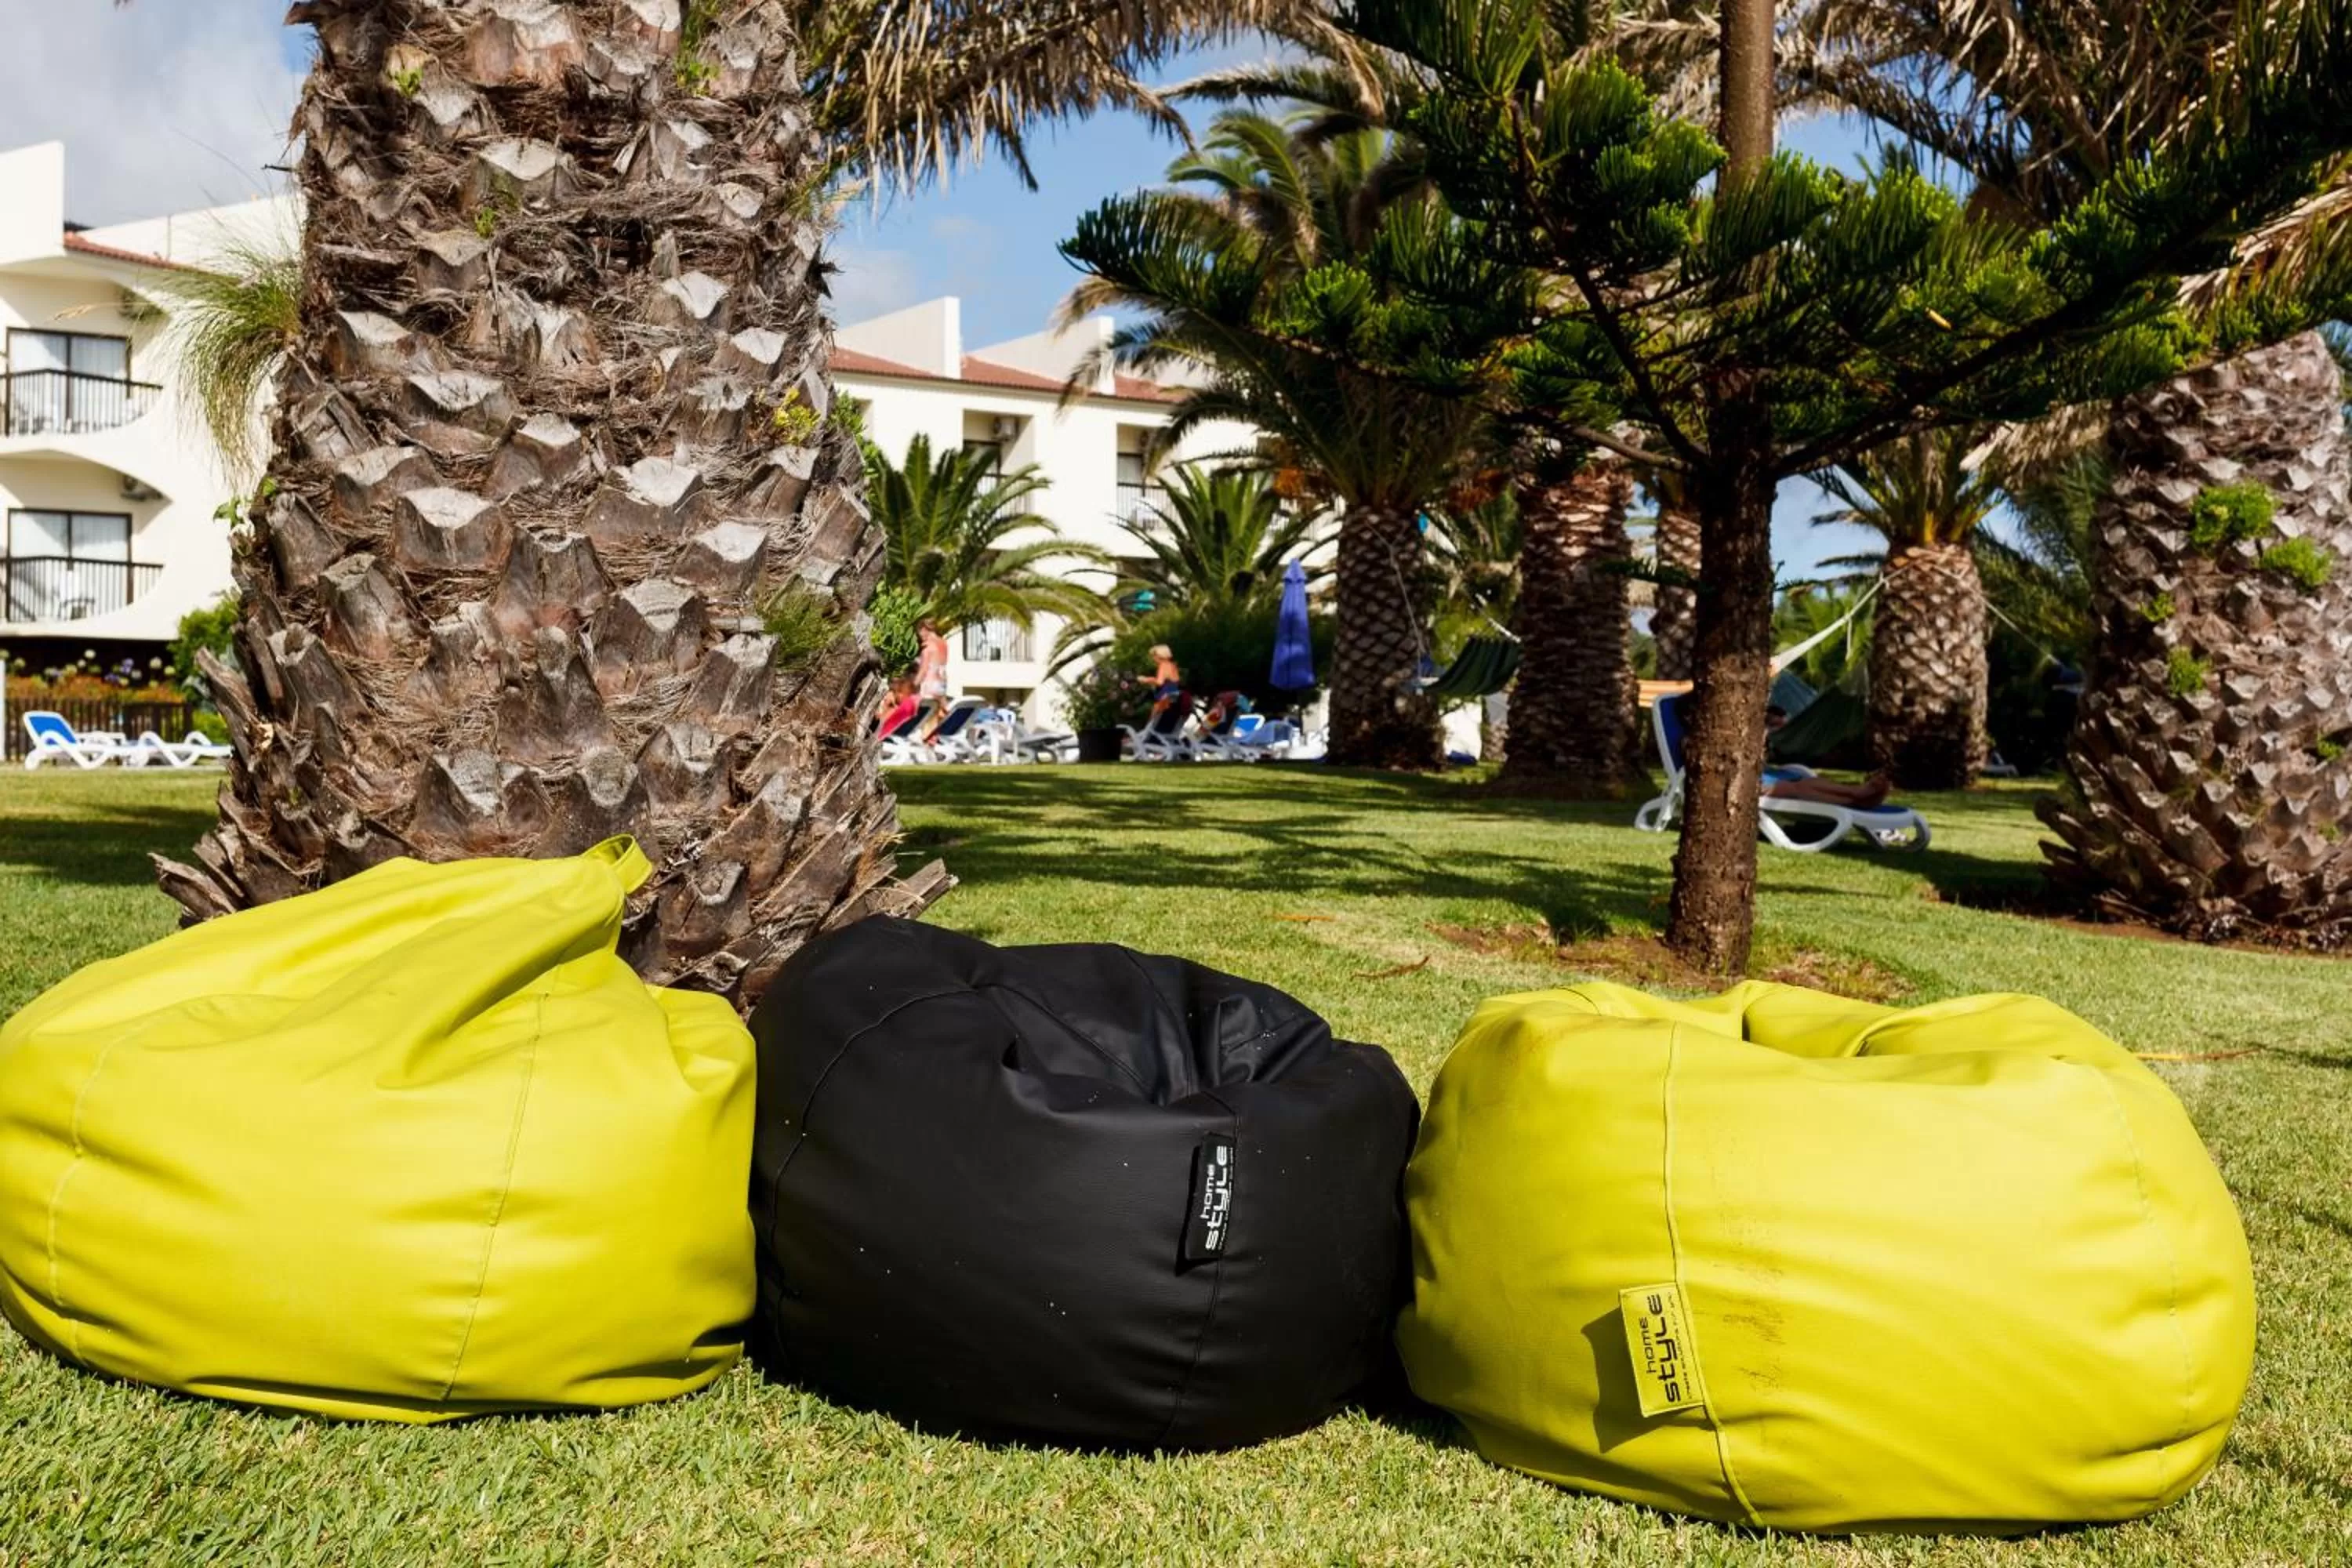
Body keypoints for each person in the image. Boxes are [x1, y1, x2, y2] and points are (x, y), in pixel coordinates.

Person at [1762, 705, 1893, 809]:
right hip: (1754, 786)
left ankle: (1856, 795)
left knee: (1807, 781)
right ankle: (1855, 799)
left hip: (1765, 777)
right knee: (1795, 788)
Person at [914, 619, 952, 740]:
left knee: (926, 715)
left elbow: (924, 669)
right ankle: (934, 740)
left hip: (930, 683)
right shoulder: (944, 643)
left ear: (925, 630)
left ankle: (927, 741)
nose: (921, 637)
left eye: (921, 633)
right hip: (942, 682)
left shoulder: (928, 647)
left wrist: (915, 683)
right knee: (937, 714)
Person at [1134, 644, 1185, 730]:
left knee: (1151, 722)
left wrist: (1146, 680)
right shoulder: (1172, 666)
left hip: (1164, 699)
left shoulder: (1163, 665)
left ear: (1159, 655)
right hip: (1173, 699)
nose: (1153, 659)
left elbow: (1159, 682)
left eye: (1154, 656)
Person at [878, 674, 920, 740]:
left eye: (900, 691)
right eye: (899, 689)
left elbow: (879, 720)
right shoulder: (896, 699)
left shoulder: (895, 704)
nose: (900, 695)